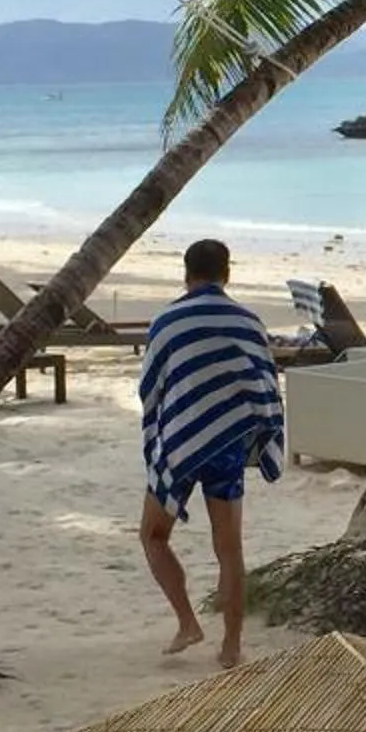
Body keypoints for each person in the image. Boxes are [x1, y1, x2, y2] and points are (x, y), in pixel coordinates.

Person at [136, 239, 284, 662]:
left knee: (152, 535)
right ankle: (232, 646)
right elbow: (265, 384)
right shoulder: (248, 321)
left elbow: (151, 386)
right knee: (230, 549)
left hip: (180, 445)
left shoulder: (167, 320)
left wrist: (164, 427)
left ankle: (187, 622)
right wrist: (258, 433)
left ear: (186, 273)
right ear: (227, 273)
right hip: (228, 445)